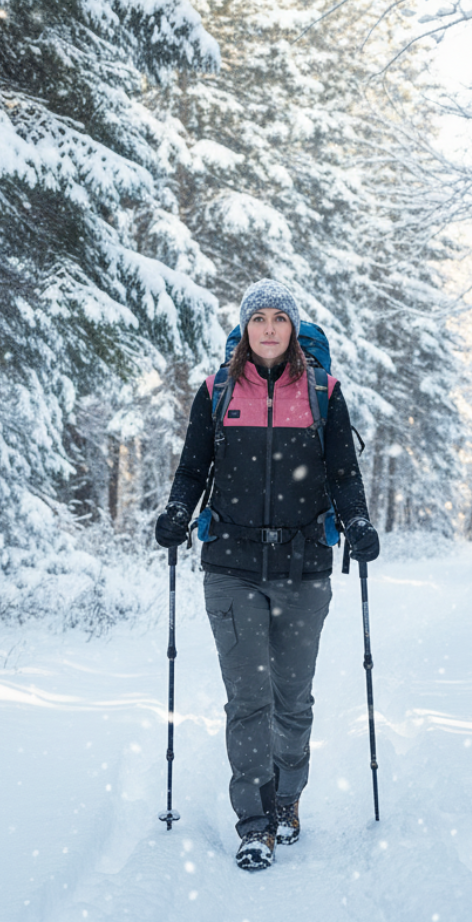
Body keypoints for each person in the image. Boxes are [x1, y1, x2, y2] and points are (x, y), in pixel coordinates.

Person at [154, 279, 380, 871]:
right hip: (231, 569)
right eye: (260, 319)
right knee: (248, 701)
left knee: (292, 702)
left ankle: (287, 800)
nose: (270, 328)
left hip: (304, 569)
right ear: (245, 329)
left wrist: (357, 522)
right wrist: (177, 511)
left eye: (280, 318)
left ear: (294, 329)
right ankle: (253, 823)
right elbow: (192, 470)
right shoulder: (218, 391)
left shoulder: (324, 393)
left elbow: (344, 474)